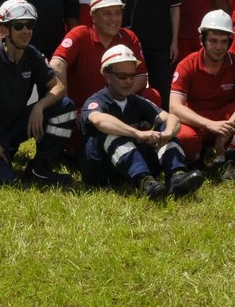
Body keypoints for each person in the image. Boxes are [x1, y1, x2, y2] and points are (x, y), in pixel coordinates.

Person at [0, 0, 76, 185]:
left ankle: (39, 167)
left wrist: (39, 107)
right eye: (19, 26)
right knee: (2, 181)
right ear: (3, 30)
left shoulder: (32, 55)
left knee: (65, 106)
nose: (26, 31)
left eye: (30, 25)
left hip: (13, 127)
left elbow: (59, 87)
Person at [80, 45, 204, 201]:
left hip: (127, 166)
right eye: (123, 76)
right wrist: (137, 133)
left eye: (132, 76)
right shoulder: (96, 101)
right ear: (107, 76)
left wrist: (168, 133)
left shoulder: (137, 101)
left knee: (164, 126)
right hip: (101, 171)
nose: (129, 82)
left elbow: (171, 118)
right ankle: (144, 182)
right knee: (113, 131)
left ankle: (176, 176)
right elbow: (99, 120)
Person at [167, 10, 235, 180]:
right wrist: (209, 124)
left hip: (225, 122)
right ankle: (196, 159)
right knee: (182, 136)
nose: (219, 47)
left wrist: (229, 128)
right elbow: (174, 107)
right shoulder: (187, 64)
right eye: (213, 41)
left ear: (230, 42)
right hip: (198, 122)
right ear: (202, 40)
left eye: (223, 41)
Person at [51, 0, 150, 111]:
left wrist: (114, 99)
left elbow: (141, 76)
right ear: (94, 16)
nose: (114, 18)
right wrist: (65, 104)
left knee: (151, 95)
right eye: (107, 13)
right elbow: (56, 64)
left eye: (117, 13)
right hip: (80, 110)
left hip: (116, 105)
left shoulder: (129, 37)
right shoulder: (79, 34)